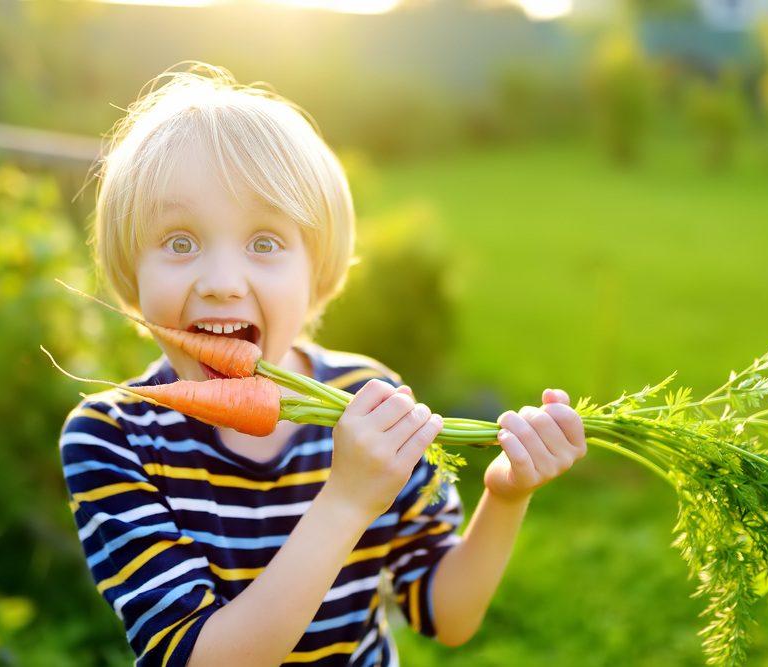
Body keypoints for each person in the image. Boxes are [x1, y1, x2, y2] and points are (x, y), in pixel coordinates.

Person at [59, 64, 587, 667]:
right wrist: (345, 503)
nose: (223, 284)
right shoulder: (112, 436)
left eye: (264, 242)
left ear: (317, 275)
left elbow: (447, 615)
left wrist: (507, 492)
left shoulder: (370, 398)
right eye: (180, 241)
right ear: (132, 270)